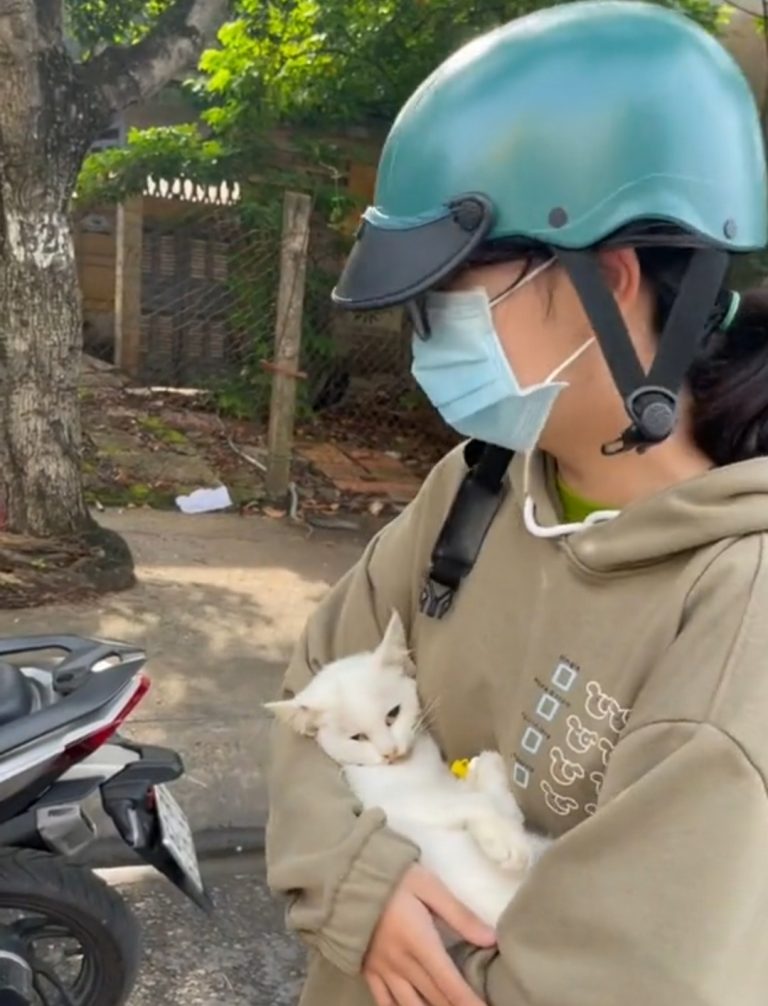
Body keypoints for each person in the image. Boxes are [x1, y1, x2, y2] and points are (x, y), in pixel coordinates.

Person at [265, 3, 768, 1004]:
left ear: (607, 283)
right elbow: (314, 694)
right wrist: (356, 882)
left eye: (444, 297)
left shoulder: (735, 607)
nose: (421, 341)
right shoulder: (481, 482)